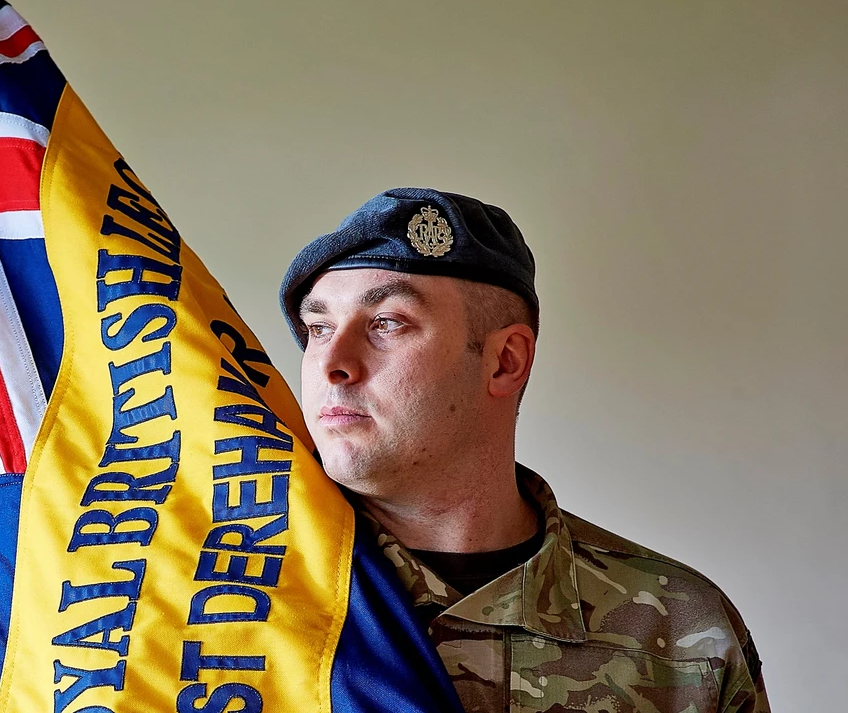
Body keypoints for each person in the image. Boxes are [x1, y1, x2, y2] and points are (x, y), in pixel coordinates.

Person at [279, 188, 770, 713]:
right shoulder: (231, 602)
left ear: (505, 361)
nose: (331, 363)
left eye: (387, 323)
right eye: (318, 328)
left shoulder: (682, 634)